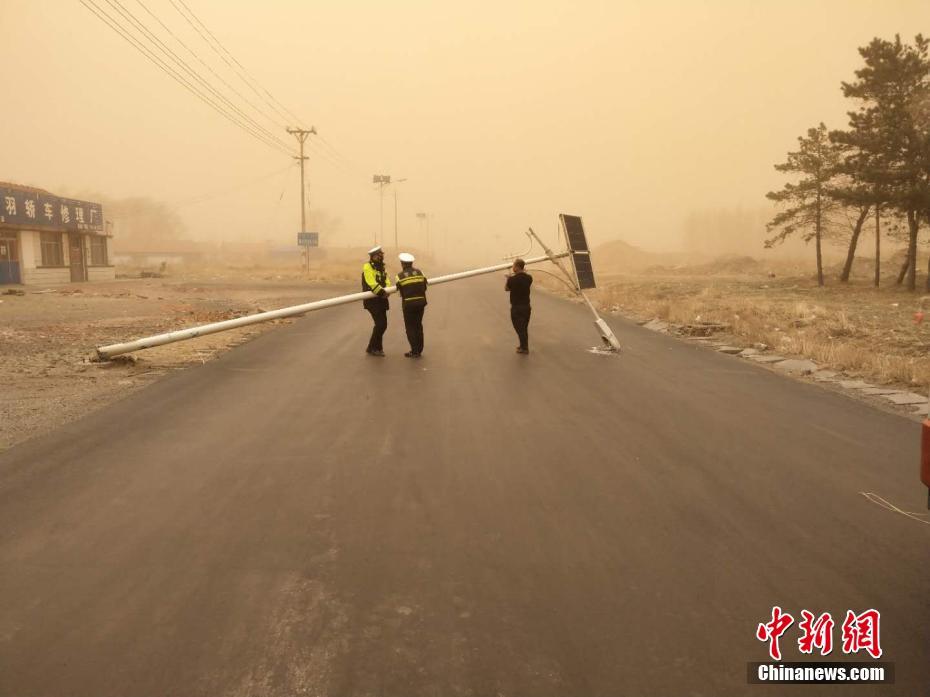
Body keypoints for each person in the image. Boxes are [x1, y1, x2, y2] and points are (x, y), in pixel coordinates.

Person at [395, 252, 428, 357]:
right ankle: (419, 349)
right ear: (411, 263)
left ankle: (414, 351)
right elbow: (425, 286)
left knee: (410, 327)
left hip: (408, 304)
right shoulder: (420, 272)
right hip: (421, 302)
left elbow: (399, 289)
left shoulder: (399, 276)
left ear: (402, 264)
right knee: (418, 326)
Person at [361, 246, 389, 356]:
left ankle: (375, 347)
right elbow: (371, 283)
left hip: (381, 300)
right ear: (374, 256)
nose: (381, 256)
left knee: (383, 324)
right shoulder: (367, 267)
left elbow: (387, 281)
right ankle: (373, 348)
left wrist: (387, 290)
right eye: (379, 255)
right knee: (380, 324)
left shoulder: (382, 267)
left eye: (382, 254)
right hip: (372, 301)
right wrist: (383, 293)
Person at [505, 258, 533, 353]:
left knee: (519, 328)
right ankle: (523, 346)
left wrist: (508, 278)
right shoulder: (529, 278)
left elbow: (506, 289)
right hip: (526, 307)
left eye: (513, 266)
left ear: (517, 267)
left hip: (517, 308)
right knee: (524, 328)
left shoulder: (512, 279)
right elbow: (524, 277)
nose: (512, 267)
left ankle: (525, 348)